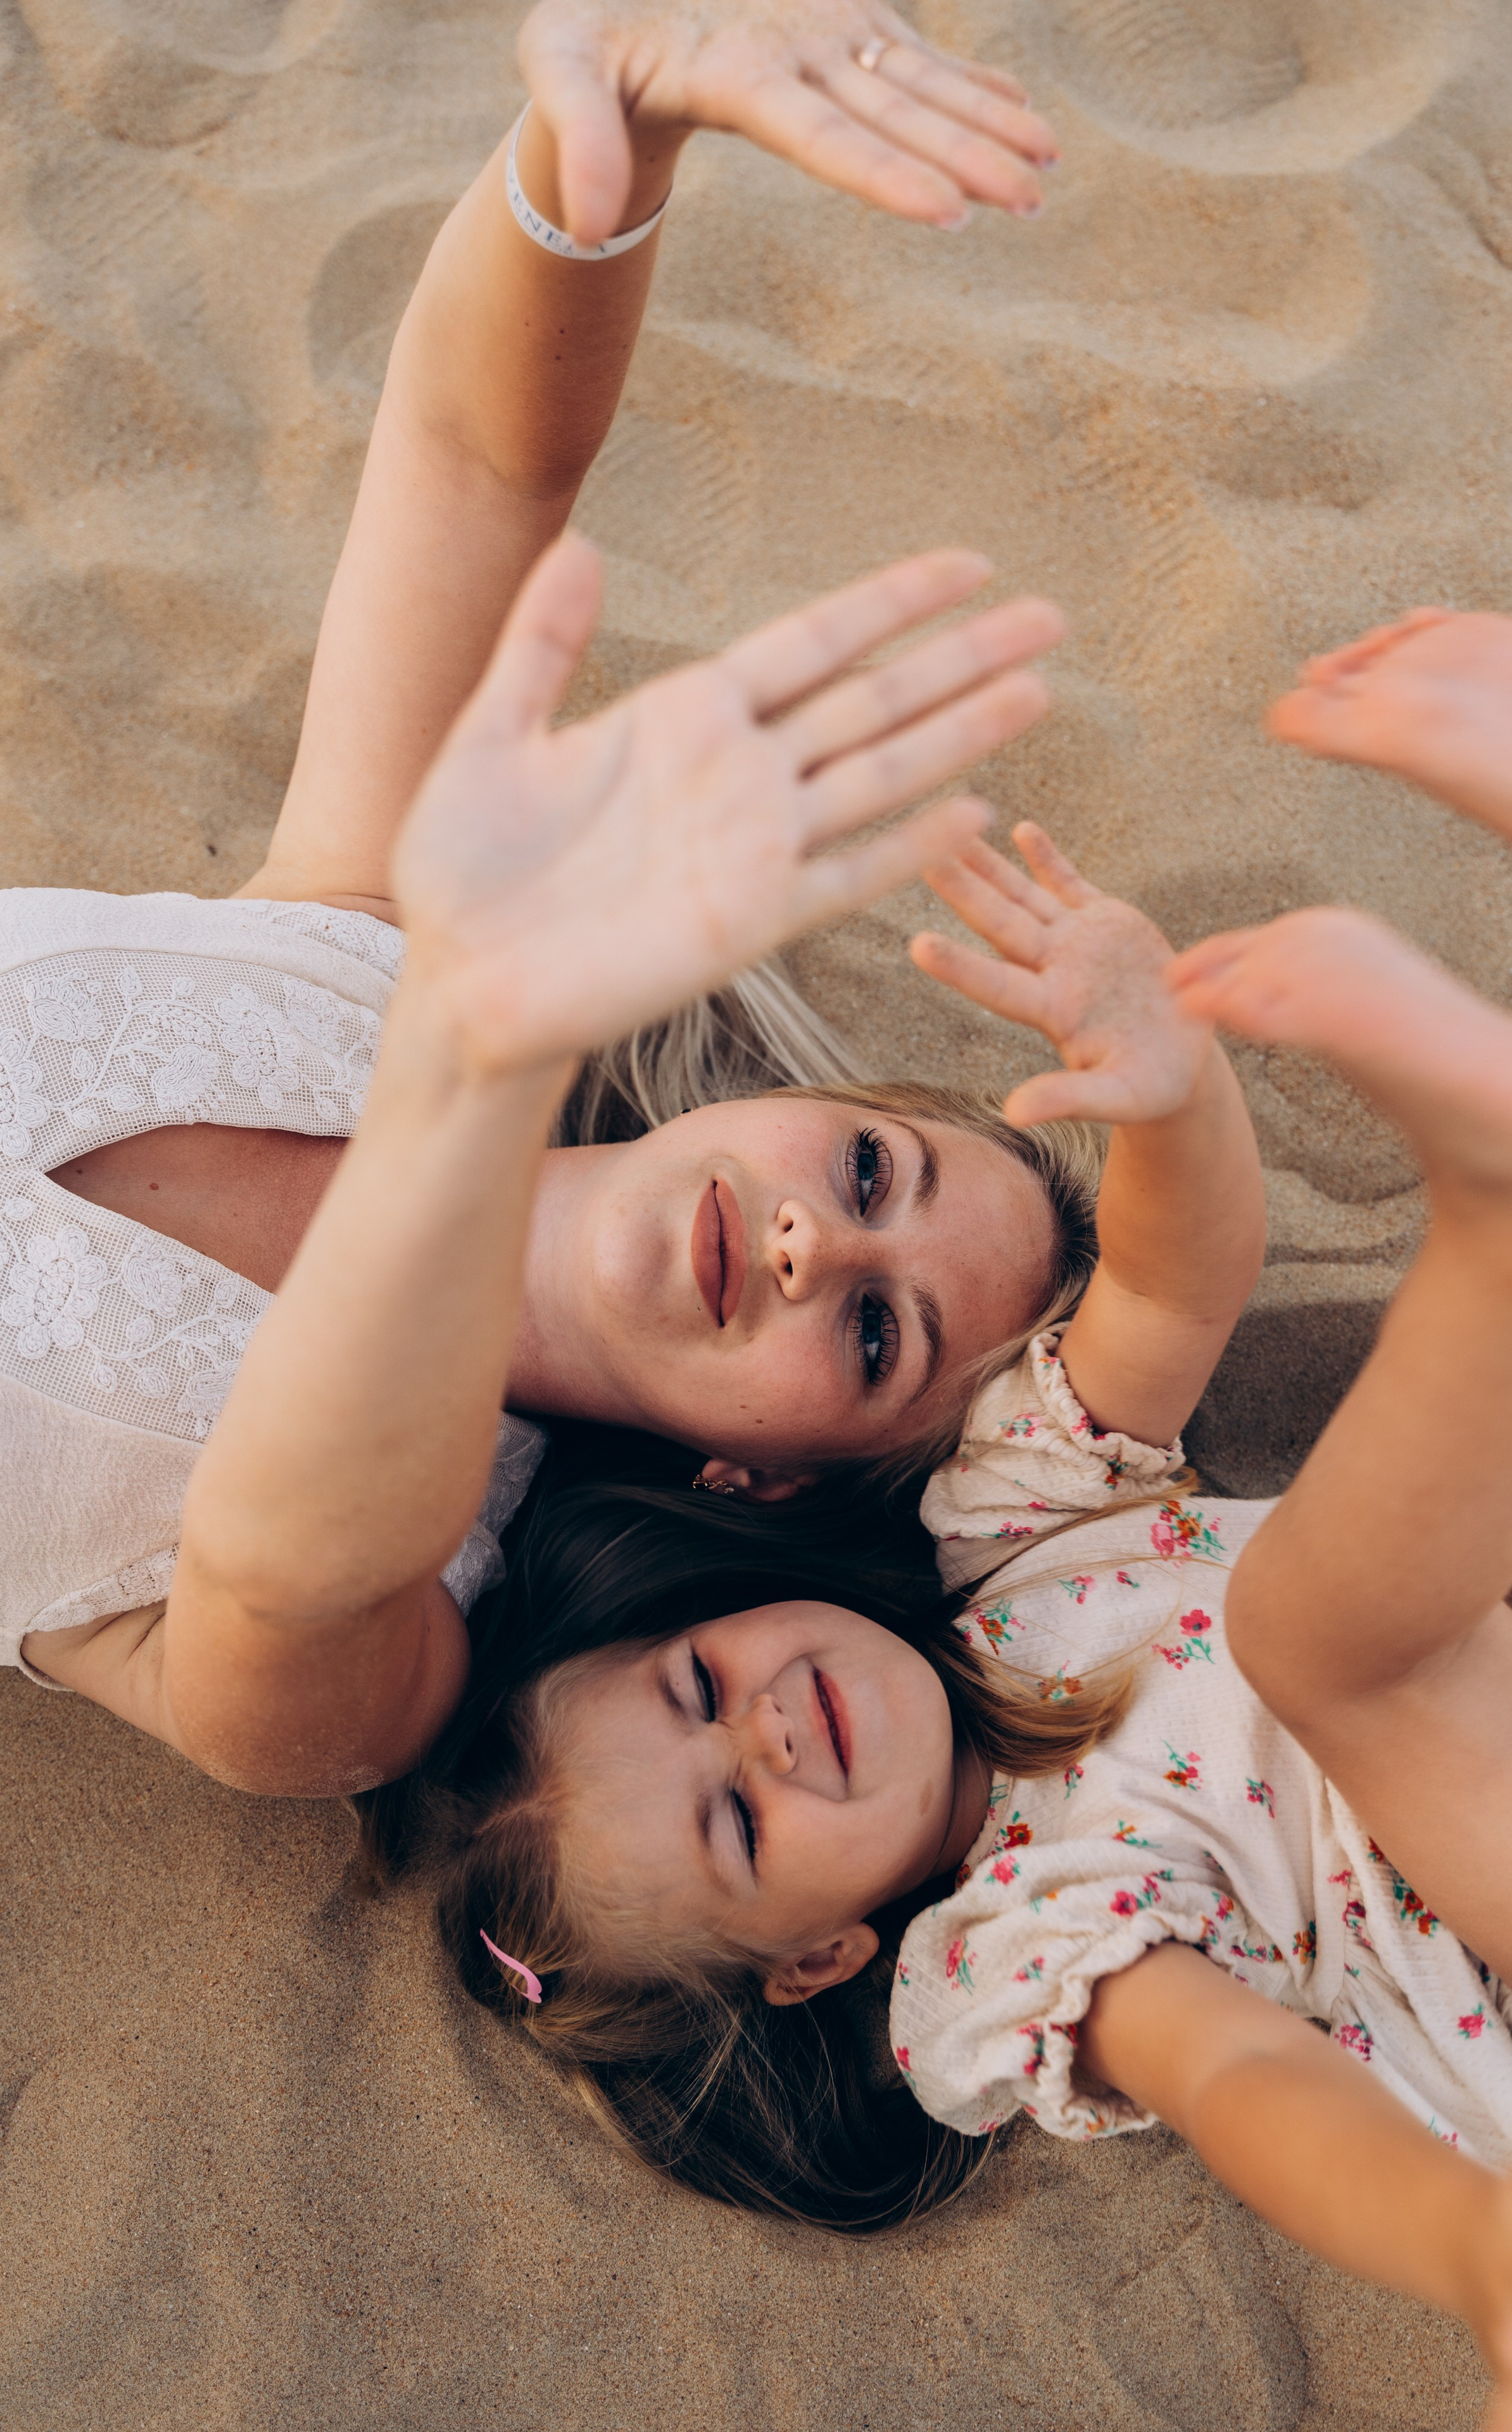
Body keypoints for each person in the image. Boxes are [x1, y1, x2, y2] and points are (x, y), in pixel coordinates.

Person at [367, 616, 1512, 2429]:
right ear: (815, 1959)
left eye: (704, 1684)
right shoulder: (1016, 1950)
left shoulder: (1010, 1536)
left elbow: (1175, 1295)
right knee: (1334, 1639)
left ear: (723, 1591)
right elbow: (1254, 2089)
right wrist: (1459, 2243)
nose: (772, 1728)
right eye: (740, 1817)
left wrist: (1163, 1074)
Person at [5, 2, 1141, 1720]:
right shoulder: (373, 954)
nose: (810, 1253)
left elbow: (271, 1570)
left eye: (871, 1337)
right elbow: (477, 462)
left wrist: (485, 1049)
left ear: (759, 1483)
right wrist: (611, 139)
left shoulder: (405, 1634)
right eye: (859, 1174)